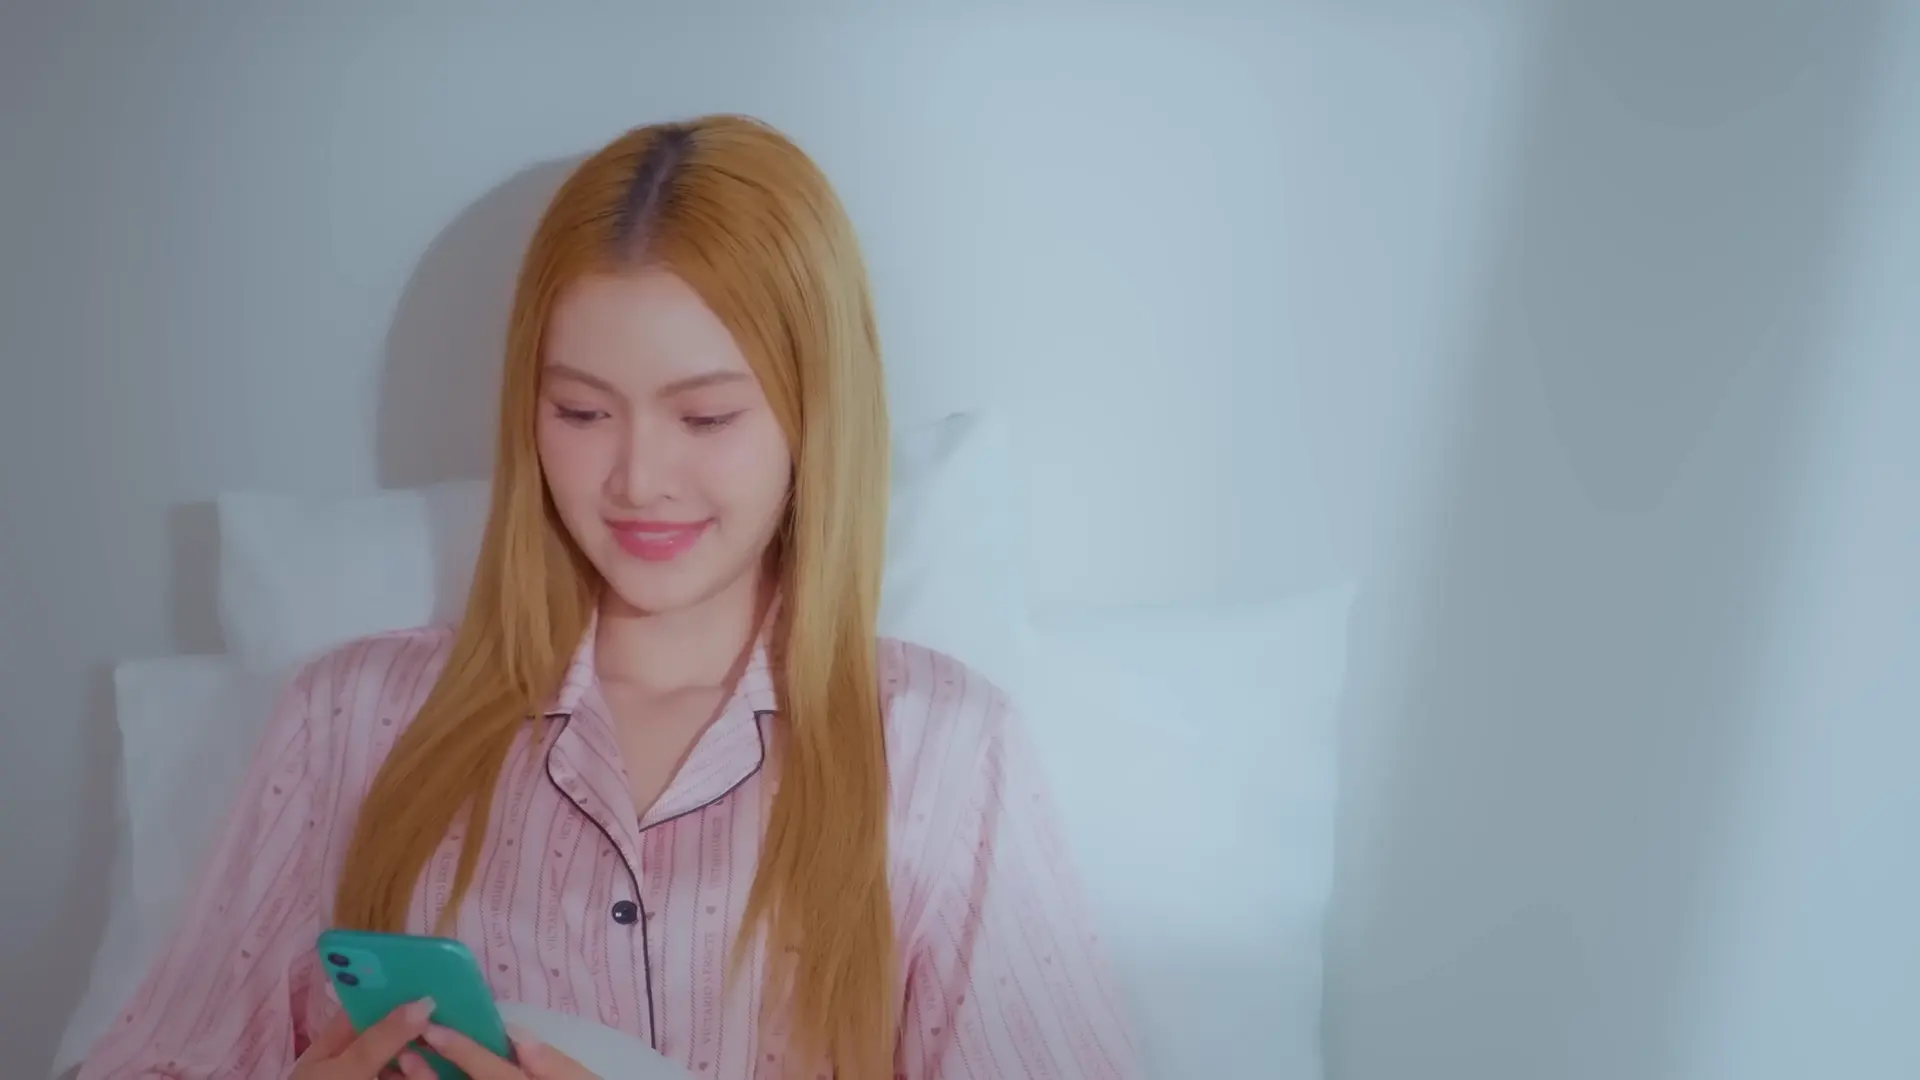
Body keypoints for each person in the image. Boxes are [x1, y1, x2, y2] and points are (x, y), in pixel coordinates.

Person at [78, 115, 1139, 1080]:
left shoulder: (942, 752)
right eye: (583, 413)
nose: (637, 479)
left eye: (706, 418)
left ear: (817, 416)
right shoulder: (348, 719)